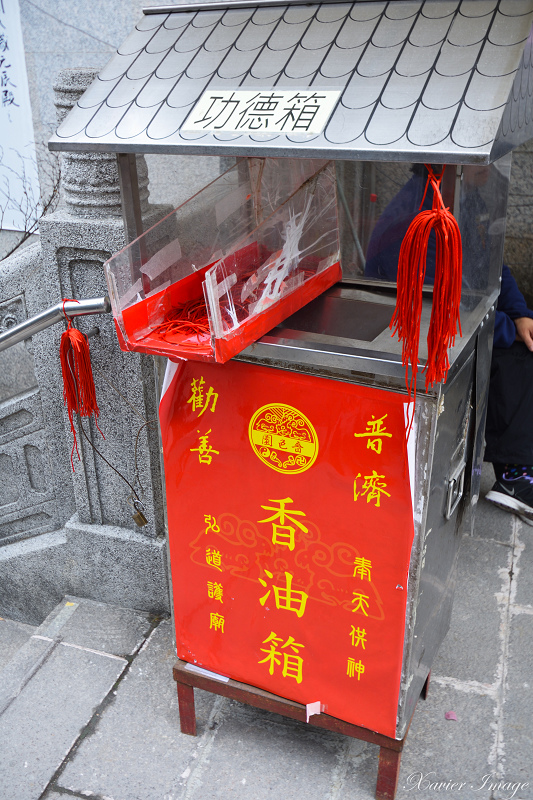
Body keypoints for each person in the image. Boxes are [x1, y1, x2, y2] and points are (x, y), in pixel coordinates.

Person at [365, 165, 533, 523]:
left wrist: (519, 314)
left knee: (521, 339)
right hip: (418, 326)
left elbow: (492, 261)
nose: (488, 166)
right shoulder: (423, 214)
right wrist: (507, 329)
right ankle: (513, 475)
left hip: (462, 307)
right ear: (449, 164)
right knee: (518, 357)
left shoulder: (462, 198)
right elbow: (439, 304)